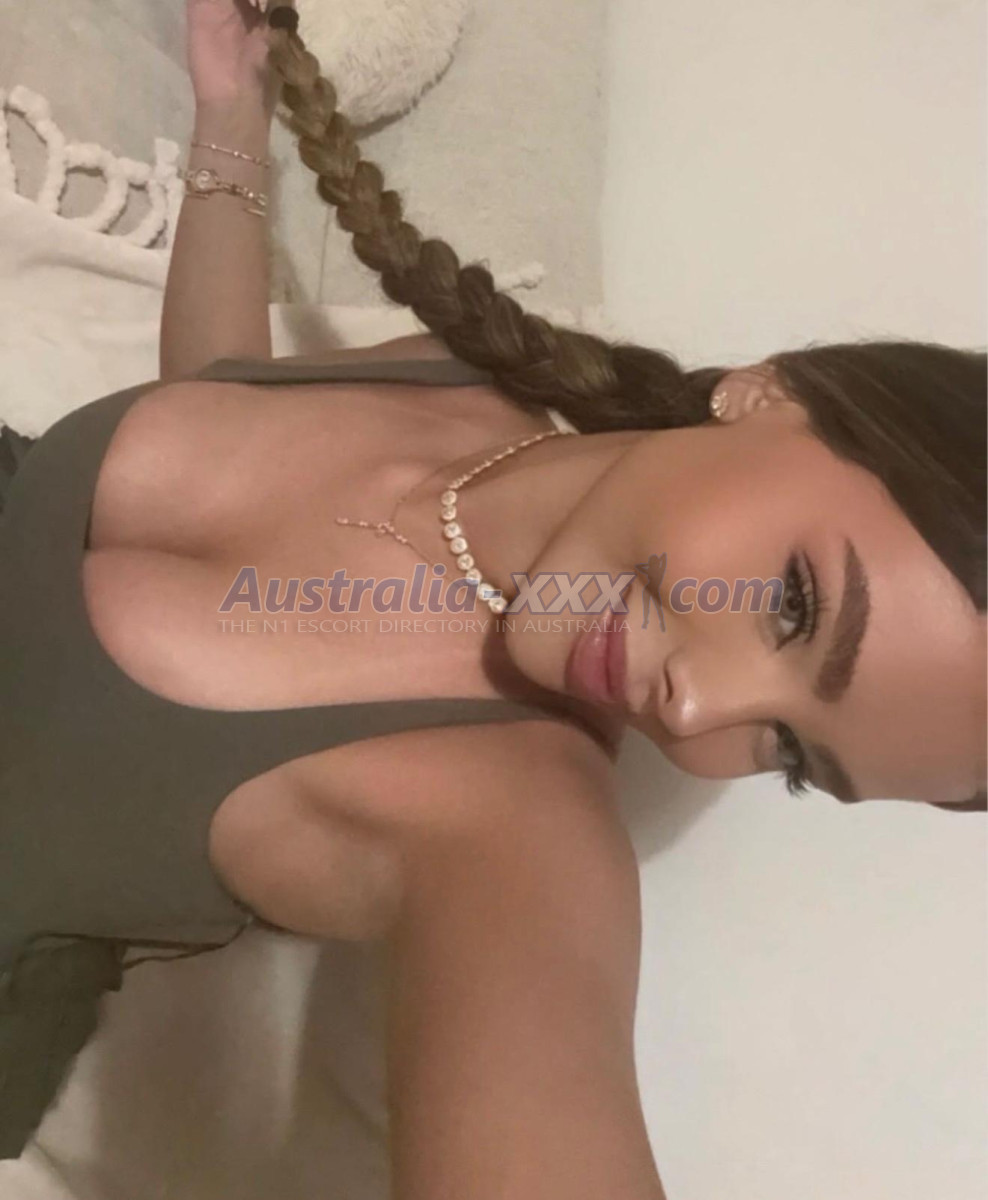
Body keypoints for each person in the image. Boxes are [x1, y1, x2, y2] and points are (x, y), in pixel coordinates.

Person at [0, 0, 982, 1192]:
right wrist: (230, 119)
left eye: (789, 754)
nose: (693, 711)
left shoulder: (521, 837)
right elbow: (214, 400)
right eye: (793, 606)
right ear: (769, 396)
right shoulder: (464, 385)